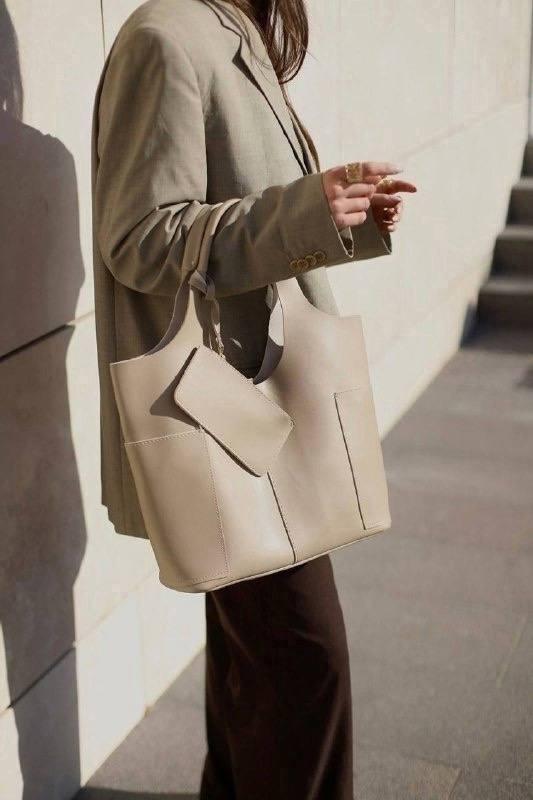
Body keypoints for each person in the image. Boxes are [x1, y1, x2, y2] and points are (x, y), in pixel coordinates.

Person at [91, 0, 417, 797]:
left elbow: (245, 213)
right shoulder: (166, 38)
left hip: (249, 417)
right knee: (304, 665)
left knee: (259, 665)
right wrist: (301, 212)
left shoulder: (233, 29)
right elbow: (139, 237)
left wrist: (337, 215)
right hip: (227, 422)